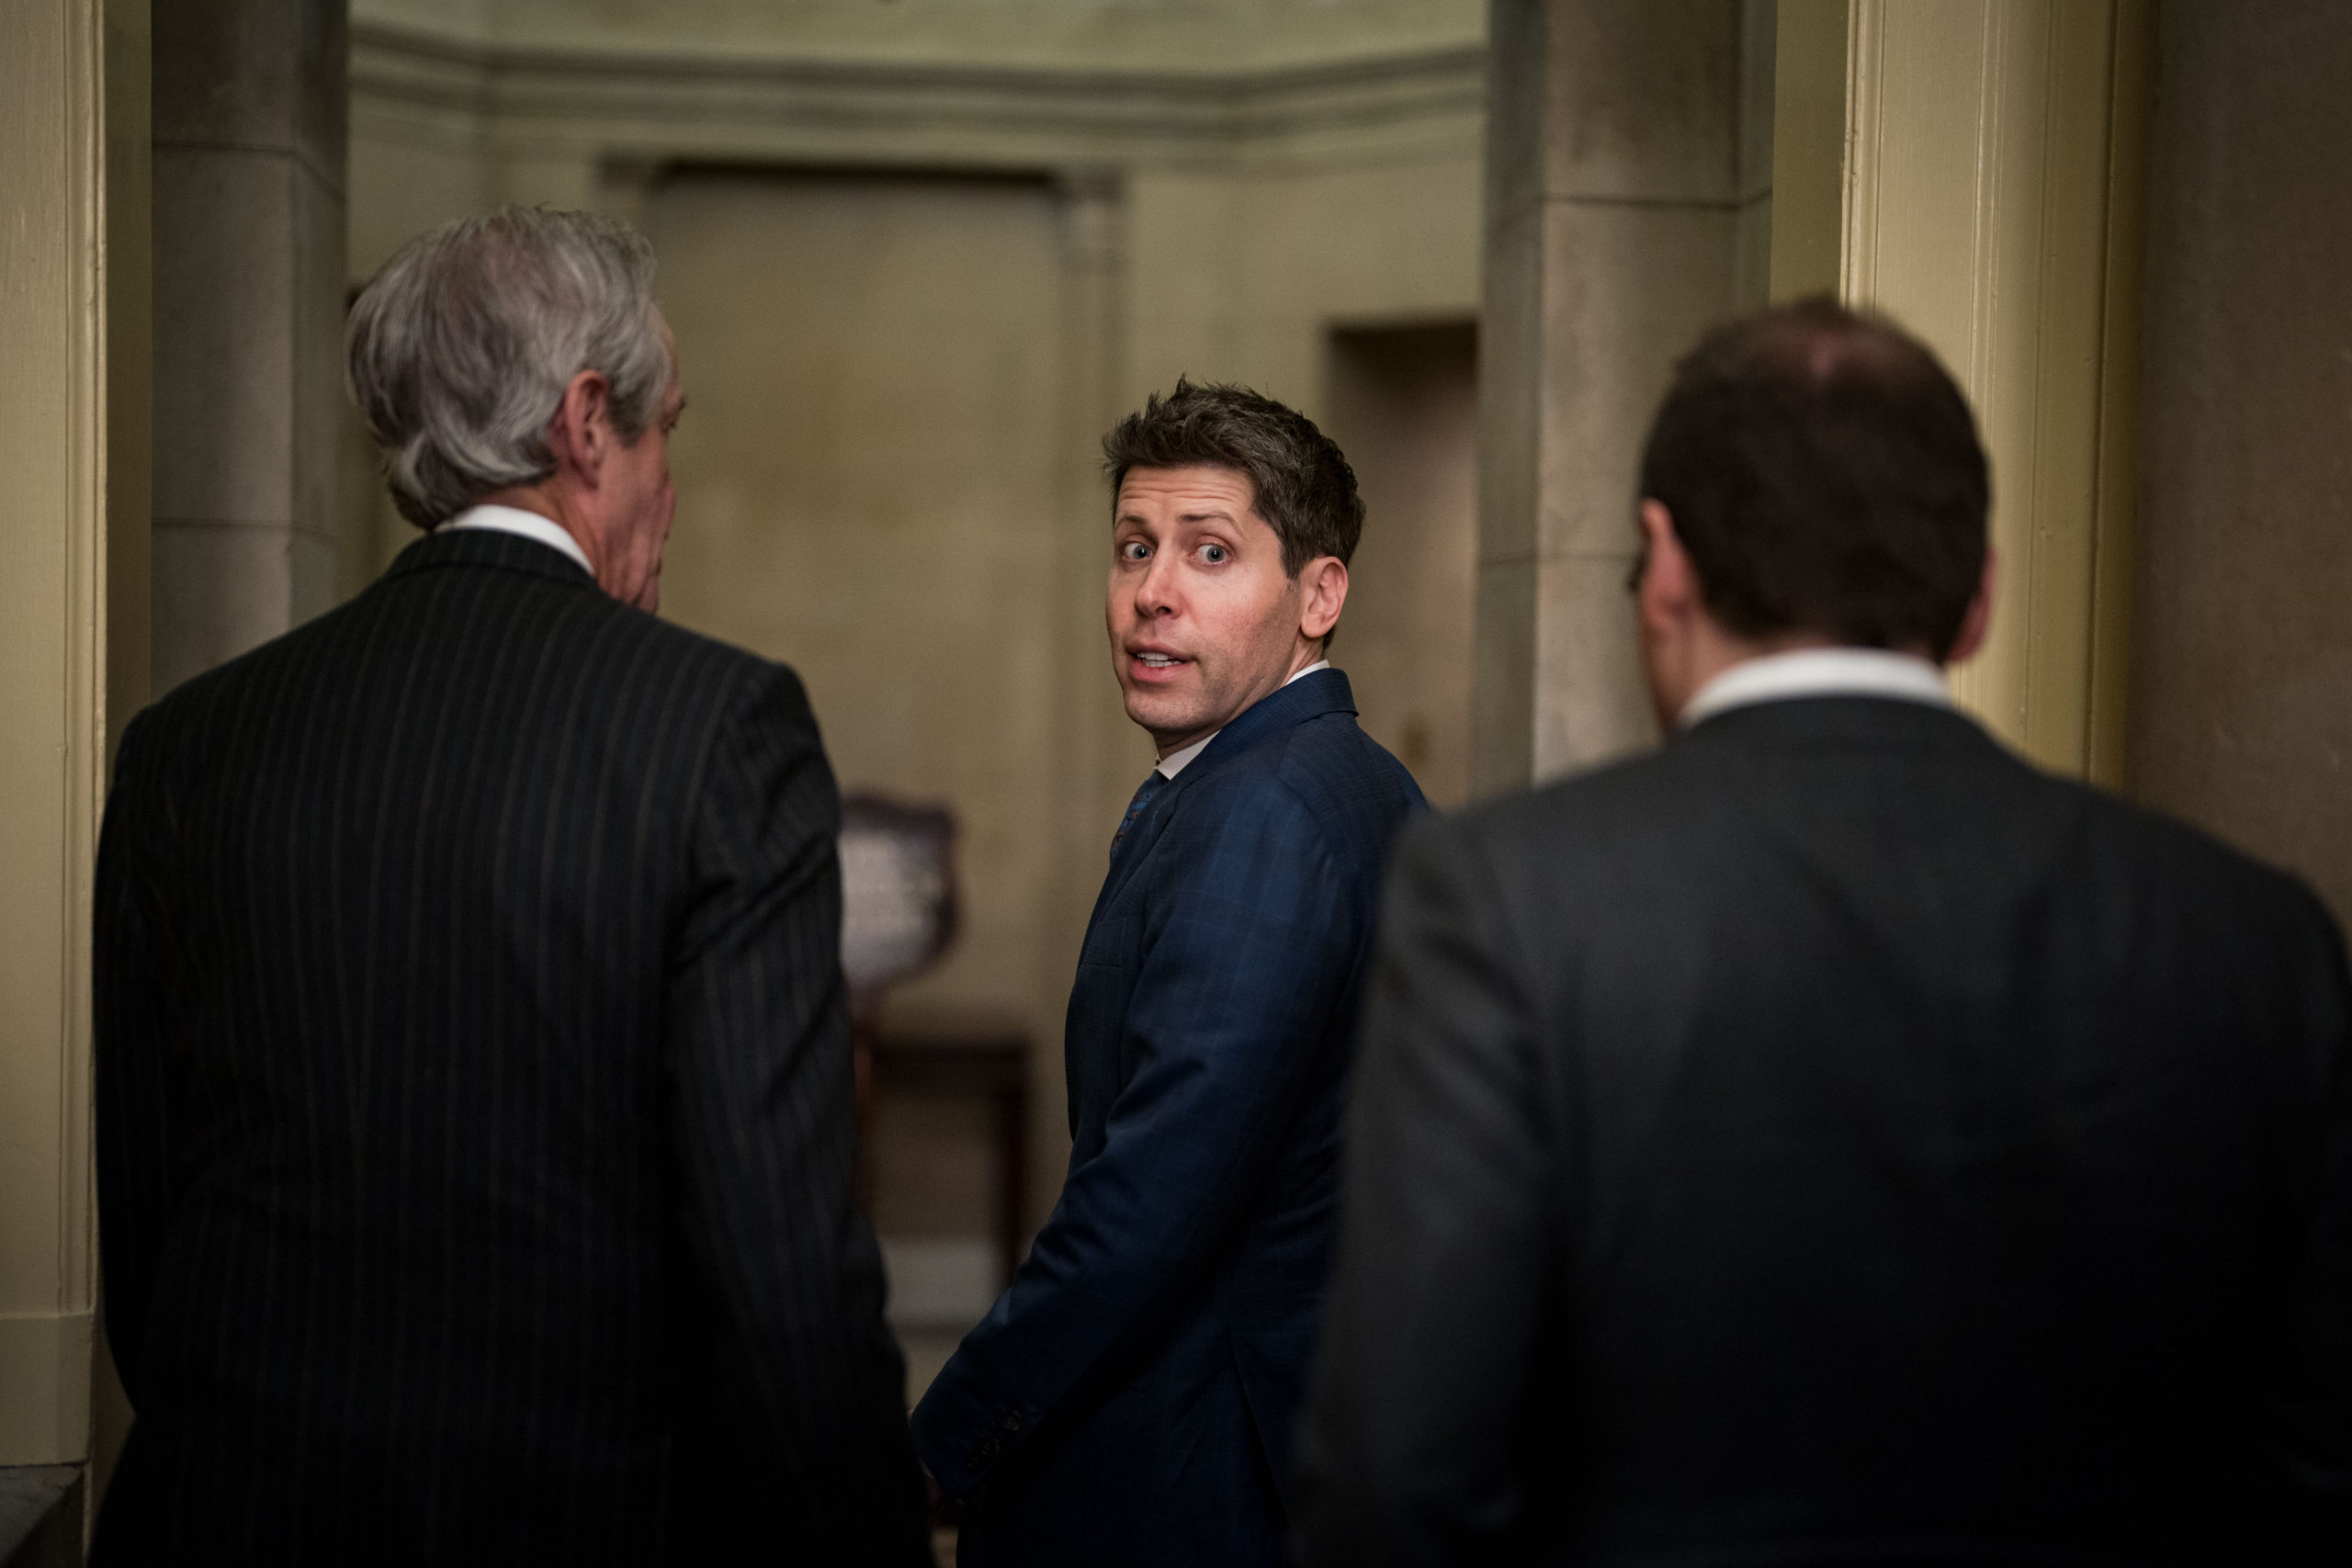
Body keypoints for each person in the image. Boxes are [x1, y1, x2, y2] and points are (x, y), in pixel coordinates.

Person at [1295, 299, 2352, 1565]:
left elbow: (1398, 1482)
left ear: (1664, 567)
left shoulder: (1502, 900)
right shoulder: (2256, 941)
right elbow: (2316, 1466)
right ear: (1978, 600)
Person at [92, 208, 930, 1564]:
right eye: (667, 434)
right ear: (588, 424)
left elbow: (148, 1260)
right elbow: (781, 1278)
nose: (672, 487)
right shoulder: (721, 731)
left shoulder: (184, 747)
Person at [910, 378, 1426, 1564]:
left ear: (1320, 596)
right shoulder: (1344, 776)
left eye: (1210, 552)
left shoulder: (1269, 812)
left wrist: (946, 1444)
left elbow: (1150, 1196)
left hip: (1200, 1472)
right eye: (1135, 547)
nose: (1153, 591)